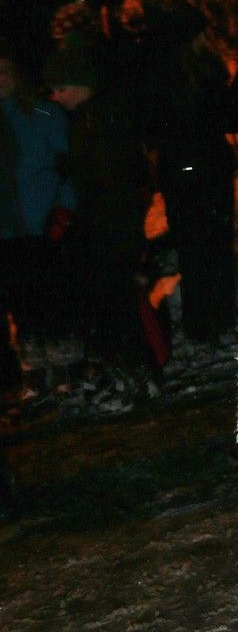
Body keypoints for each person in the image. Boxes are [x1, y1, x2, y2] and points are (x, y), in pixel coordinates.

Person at [45, 32, 152, 399]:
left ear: (80, 84)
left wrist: (112, 232)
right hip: (102, 228)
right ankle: (127, 373)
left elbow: (113, 184)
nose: (56, 97)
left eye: (61, 89)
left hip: (111, 230)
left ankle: (135, 378)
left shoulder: (101, 120)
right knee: (111, 307)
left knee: (118, 307)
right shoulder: (86, 119)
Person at [141, 3, 238, 346]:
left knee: (196, 247)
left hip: (186, 172)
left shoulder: (162, 74)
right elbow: (223, 116)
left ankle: (204, 322)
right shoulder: (195, 72)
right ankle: (215, 319)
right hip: (203, 168)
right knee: (211, 246)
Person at [0, 41, 75, 399]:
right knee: (21, 304)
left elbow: (71, 164)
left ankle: (64, 369)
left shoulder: (42, 114)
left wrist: (64, 207)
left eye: (3, 72)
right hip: (7, 229)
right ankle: (33, 372)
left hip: (45, 223)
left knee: (51, 298)